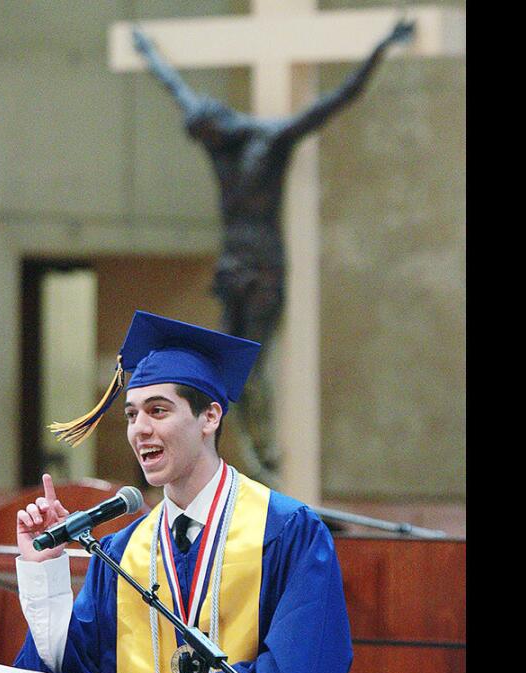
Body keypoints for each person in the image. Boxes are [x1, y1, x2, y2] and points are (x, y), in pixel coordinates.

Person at [12, 311, 354, 673]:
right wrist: (45, 568)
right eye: (131, 414)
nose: (139, 430)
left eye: (158, 410)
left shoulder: (289, 534)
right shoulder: (124, 550)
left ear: (210, 417)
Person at [131, 20, 415, 480]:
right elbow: (173, 86)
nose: (207, 146)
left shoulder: (271, 139)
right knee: (219, 363)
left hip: (263, 267)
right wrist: (147, 52)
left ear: (217, 122)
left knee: (253, 364)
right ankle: (238, 454)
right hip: (232, 265)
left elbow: (335, 101)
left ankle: (262, 455)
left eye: (207, 137)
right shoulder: (210, 133)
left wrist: (379, 48)